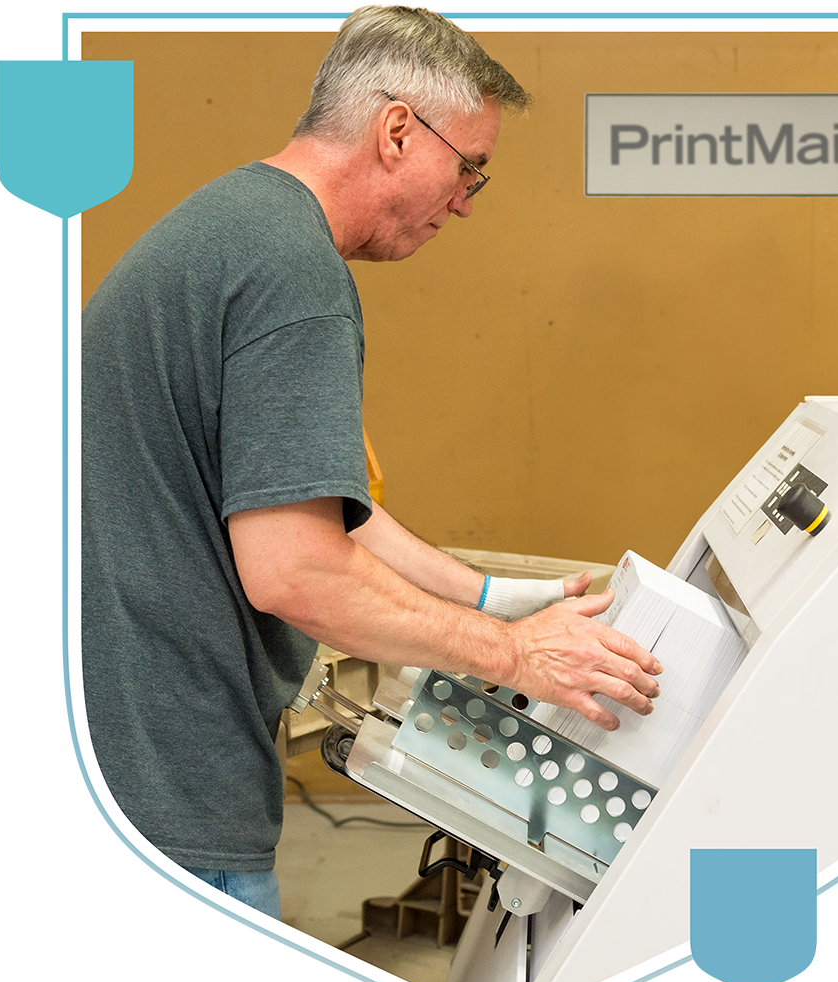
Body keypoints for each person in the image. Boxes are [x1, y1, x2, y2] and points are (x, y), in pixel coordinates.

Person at [82, 6, 661, 920]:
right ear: (398, 130)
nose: (466, 201)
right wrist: (513, 653)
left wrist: (486, 595)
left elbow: (323, 506)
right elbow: (296, 569)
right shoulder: (296, 274)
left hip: (117, 770)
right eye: (469, 167)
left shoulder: (236, 228)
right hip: (169, 795)